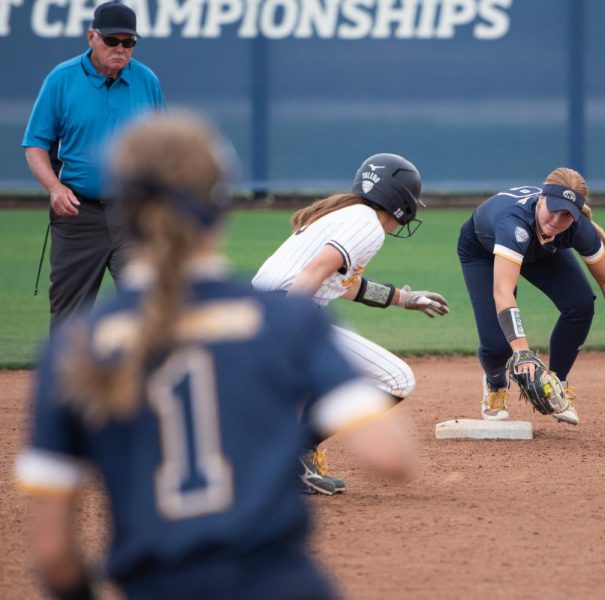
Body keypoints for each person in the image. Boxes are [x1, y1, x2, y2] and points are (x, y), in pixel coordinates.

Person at [15, 113, 414, 600]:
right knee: (396, 379)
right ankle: (298, 452)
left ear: (123, 210)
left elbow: (54, 555)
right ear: (219, 205)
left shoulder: (75, 347)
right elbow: (391, 457)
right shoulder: (286, 324)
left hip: (154, 583)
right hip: (278, 584)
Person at [252, 153, 448, 495]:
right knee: (397, 378)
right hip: (285, 308)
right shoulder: (368, 225)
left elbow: (341, 283)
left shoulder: (349, 215)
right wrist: (289, 328)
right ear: (400, 200)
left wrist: (404, 298)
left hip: (269, 306)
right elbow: (314, 273)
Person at [456, 167, 605, 426]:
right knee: (499, 346)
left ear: (576, 215)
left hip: (541, 249)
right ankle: (496, 384)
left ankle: (556, 385)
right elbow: (503, 291)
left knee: (580, 304)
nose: (556, 219)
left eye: (566, 214)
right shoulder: (513, 223)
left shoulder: (578, 228)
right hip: (483, 250)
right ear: (541, 198)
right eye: (553, 208)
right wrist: (521, 350)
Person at [22, 1, 166, 330]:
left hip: (134, 214)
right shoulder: (61, 79)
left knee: (150, 307)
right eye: (111, 41)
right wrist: (54, 188)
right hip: (78, 214)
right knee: (70, 315)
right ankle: (66, 382)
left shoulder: (146, 81)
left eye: (128, 42)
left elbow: (162, 146)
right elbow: (35, 144)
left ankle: (143, 381)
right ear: (91, 37)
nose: (120, 49)